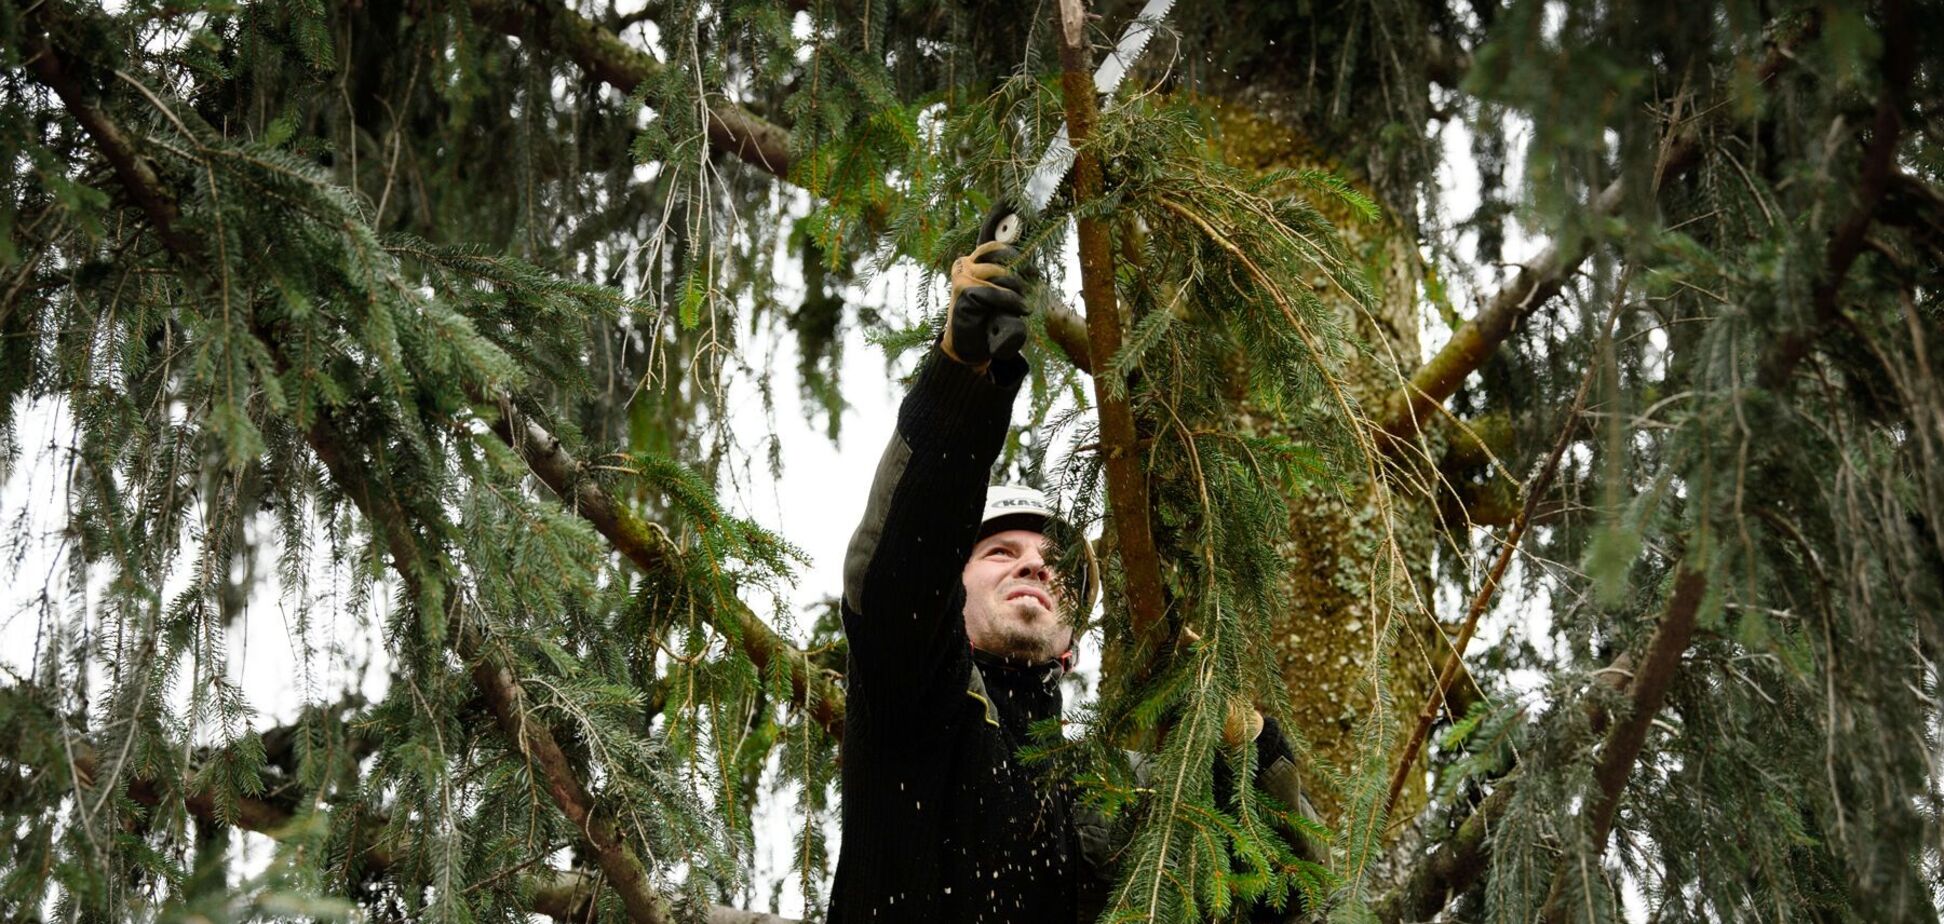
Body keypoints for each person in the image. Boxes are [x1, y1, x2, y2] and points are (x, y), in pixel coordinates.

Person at [829, 210, 1313, 923]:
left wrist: (1249, 753)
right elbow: (901, 567)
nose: (1032, 567)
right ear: (950, 596)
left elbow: (1288, 897)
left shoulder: (1109, 798)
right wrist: (962, 385)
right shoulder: (915, 705)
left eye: (1055, 565)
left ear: (1074, 642)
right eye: (999, 552)